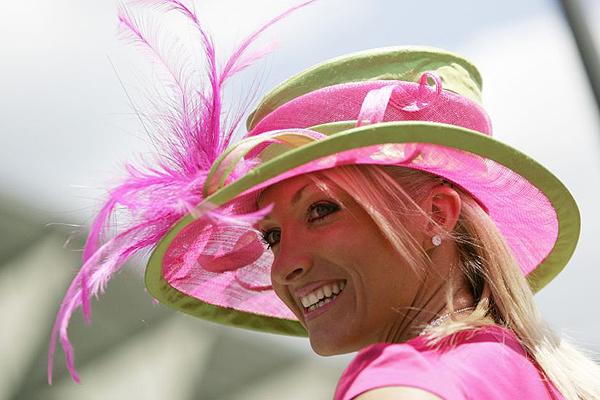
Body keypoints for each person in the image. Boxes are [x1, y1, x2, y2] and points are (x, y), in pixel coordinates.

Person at [48, 1, 600, 399]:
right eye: (272, 236)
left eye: (321, 209)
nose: (285, 265)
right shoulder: (535, 374)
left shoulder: (402, 384)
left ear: (436, 214)